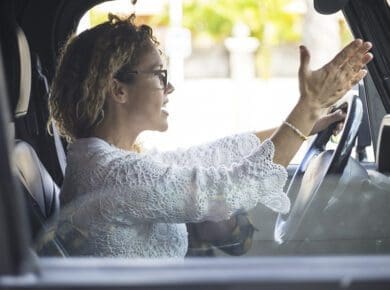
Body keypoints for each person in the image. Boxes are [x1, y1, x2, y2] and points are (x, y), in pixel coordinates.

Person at [41, 13, 372, 258]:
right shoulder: (119, 174)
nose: (169, 87)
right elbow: (234, 190)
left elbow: (215, 153)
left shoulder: (103, 159)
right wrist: (308, 105)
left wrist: (308, 123)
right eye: (159, 75)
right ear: (117, 89)